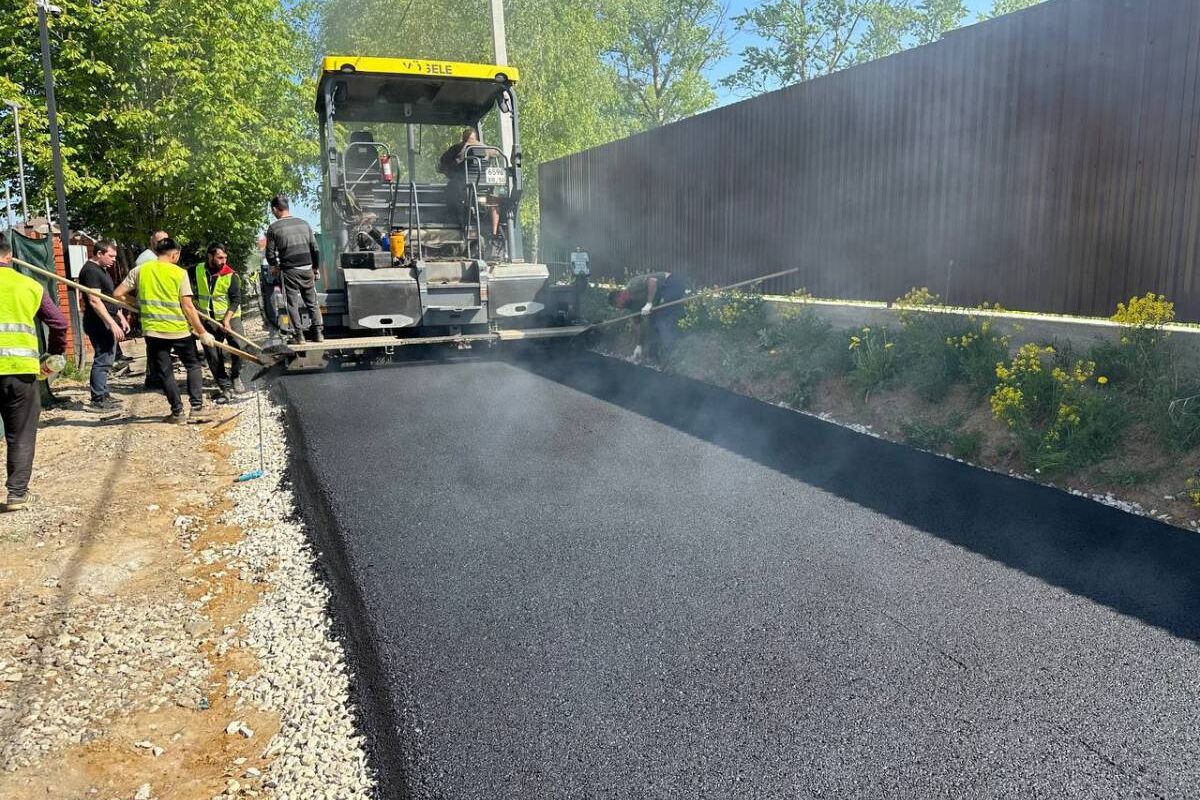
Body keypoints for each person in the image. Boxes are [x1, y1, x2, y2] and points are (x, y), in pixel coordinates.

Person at [114, 237, 215, 423]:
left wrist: (136, 303)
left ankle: (177, 413)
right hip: (179, 330)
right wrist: (202, 332)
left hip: (153, 332)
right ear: (174, 254)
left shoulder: (140, 271)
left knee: (166, 372)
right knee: (192, 365)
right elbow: (188, 307)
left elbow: (118, 294)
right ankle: (197, 408)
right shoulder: (179, 273)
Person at [0, 237, 68, 511]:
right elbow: (59, 323)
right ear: (10, 254)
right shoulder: (28, 285)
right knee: (21, 432)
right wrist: (52, 357)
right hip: (21, 374)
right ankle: (17, 493)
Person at [78, 239, 129, 411]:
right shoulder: (90, 271)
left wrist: (120, 317)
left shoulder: (103, 270)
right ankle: (98, 399)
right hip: (98, 323)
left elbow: (108, 297)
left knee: (107, 358)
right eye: (111, 256)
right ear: (99, 253)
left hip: (107, 320)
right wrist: (112, 324)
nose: (114, 259)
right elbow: (94, 300)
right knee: (103, 359)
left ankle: (103, 393)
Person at [265, 195, 323, 344]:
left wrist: (274, 266)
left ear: (274, 209)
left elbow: (270, 253)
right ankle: (318, 334)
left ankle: (299, 336)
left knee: (292, 303)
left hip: (289, 271)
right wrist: (315, 268)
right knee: (312, 302)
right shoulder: (304, 224)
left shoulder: (274, 228)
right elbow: (315, 249)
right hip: (307, 268)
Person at [193, 243, 244, 402]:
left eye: (225, 258)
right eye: (219, 257)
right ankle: (224, 385)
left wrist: (227, 320)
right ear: (210, 256)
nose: (223, 261)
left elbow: (236, 300)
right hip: (209, 320)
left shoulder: (230, 275)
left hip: (231, 317)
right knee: (213, 354)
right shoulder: (197, 269)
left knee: (238, 348)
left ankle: (235, 376)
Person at [438, 129, 502, 256]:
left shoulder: (460, 148)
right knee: (495, 199)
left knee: (449, 190)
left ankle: (458, 223)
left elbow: (448, 162)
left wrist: (449, 171)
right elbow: (497, 153)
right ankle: (494, 233)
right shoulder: (489, 149)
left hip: (465, 185)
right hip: (484, 186)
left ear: (464, 138)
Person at [608, 270, 688, 363]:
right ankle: (653, 359)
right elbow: (638, 326)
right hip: (660, 297)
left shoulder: (633, 285)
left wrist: (649, 303)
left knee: (663, 319)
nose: (620, 308)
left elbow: (652, 281)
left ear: (620, 295)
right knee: (652, 323)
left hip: (671, 283)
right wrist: (639, 346)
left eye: (618, 305)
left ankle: (673, 357)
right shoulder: (632, 307)